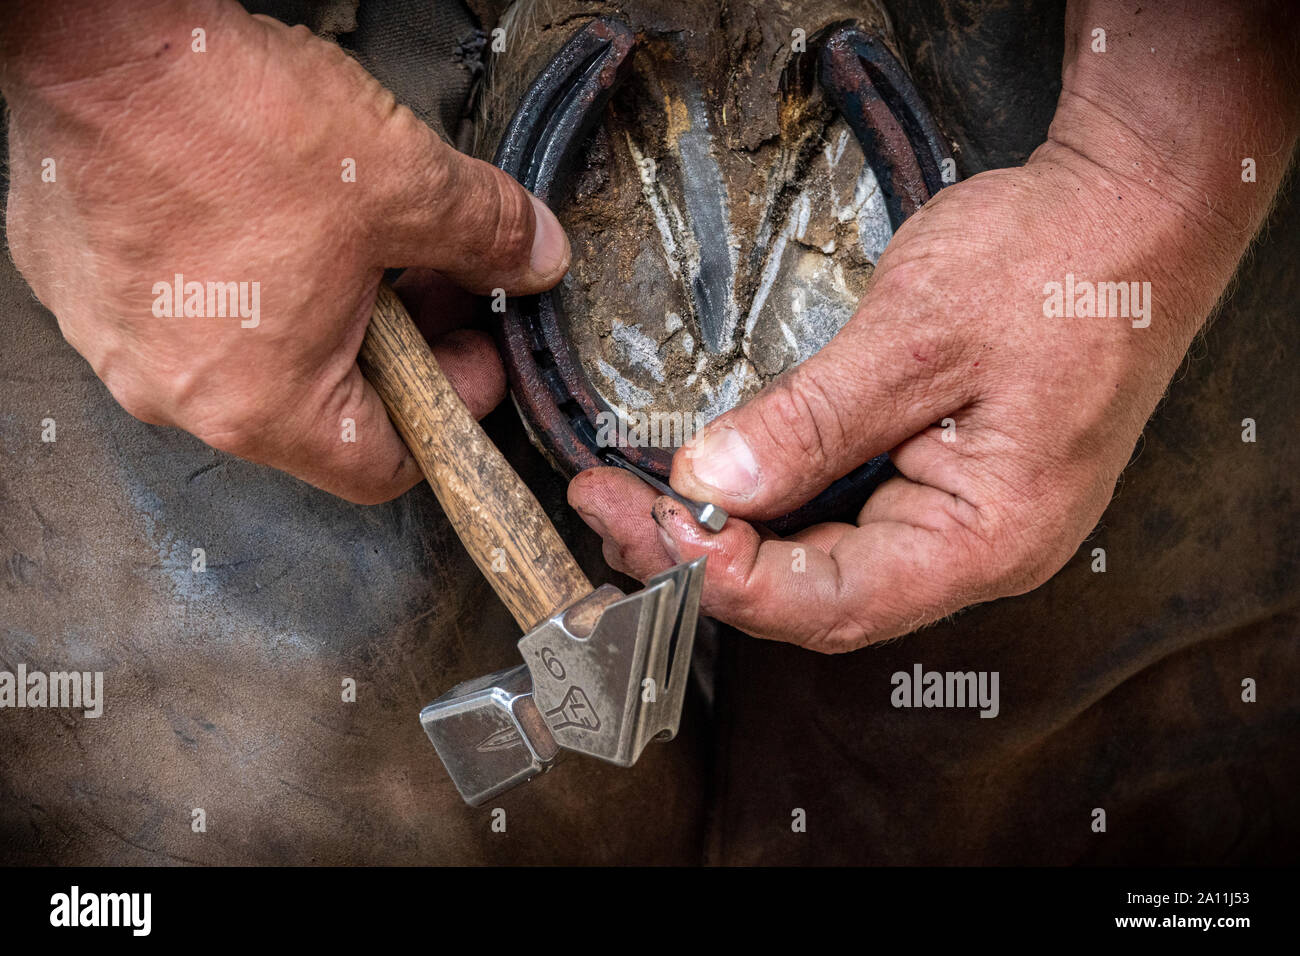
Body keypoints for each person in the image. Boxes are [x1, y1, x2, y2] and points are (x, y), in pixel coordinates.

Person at [2, 0, 1296, 864]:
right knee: (291, 798)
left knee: (1064, 783)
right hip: (244, 80)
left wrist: (1159, 155)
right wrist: (109, 75)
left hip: (1083, 53)